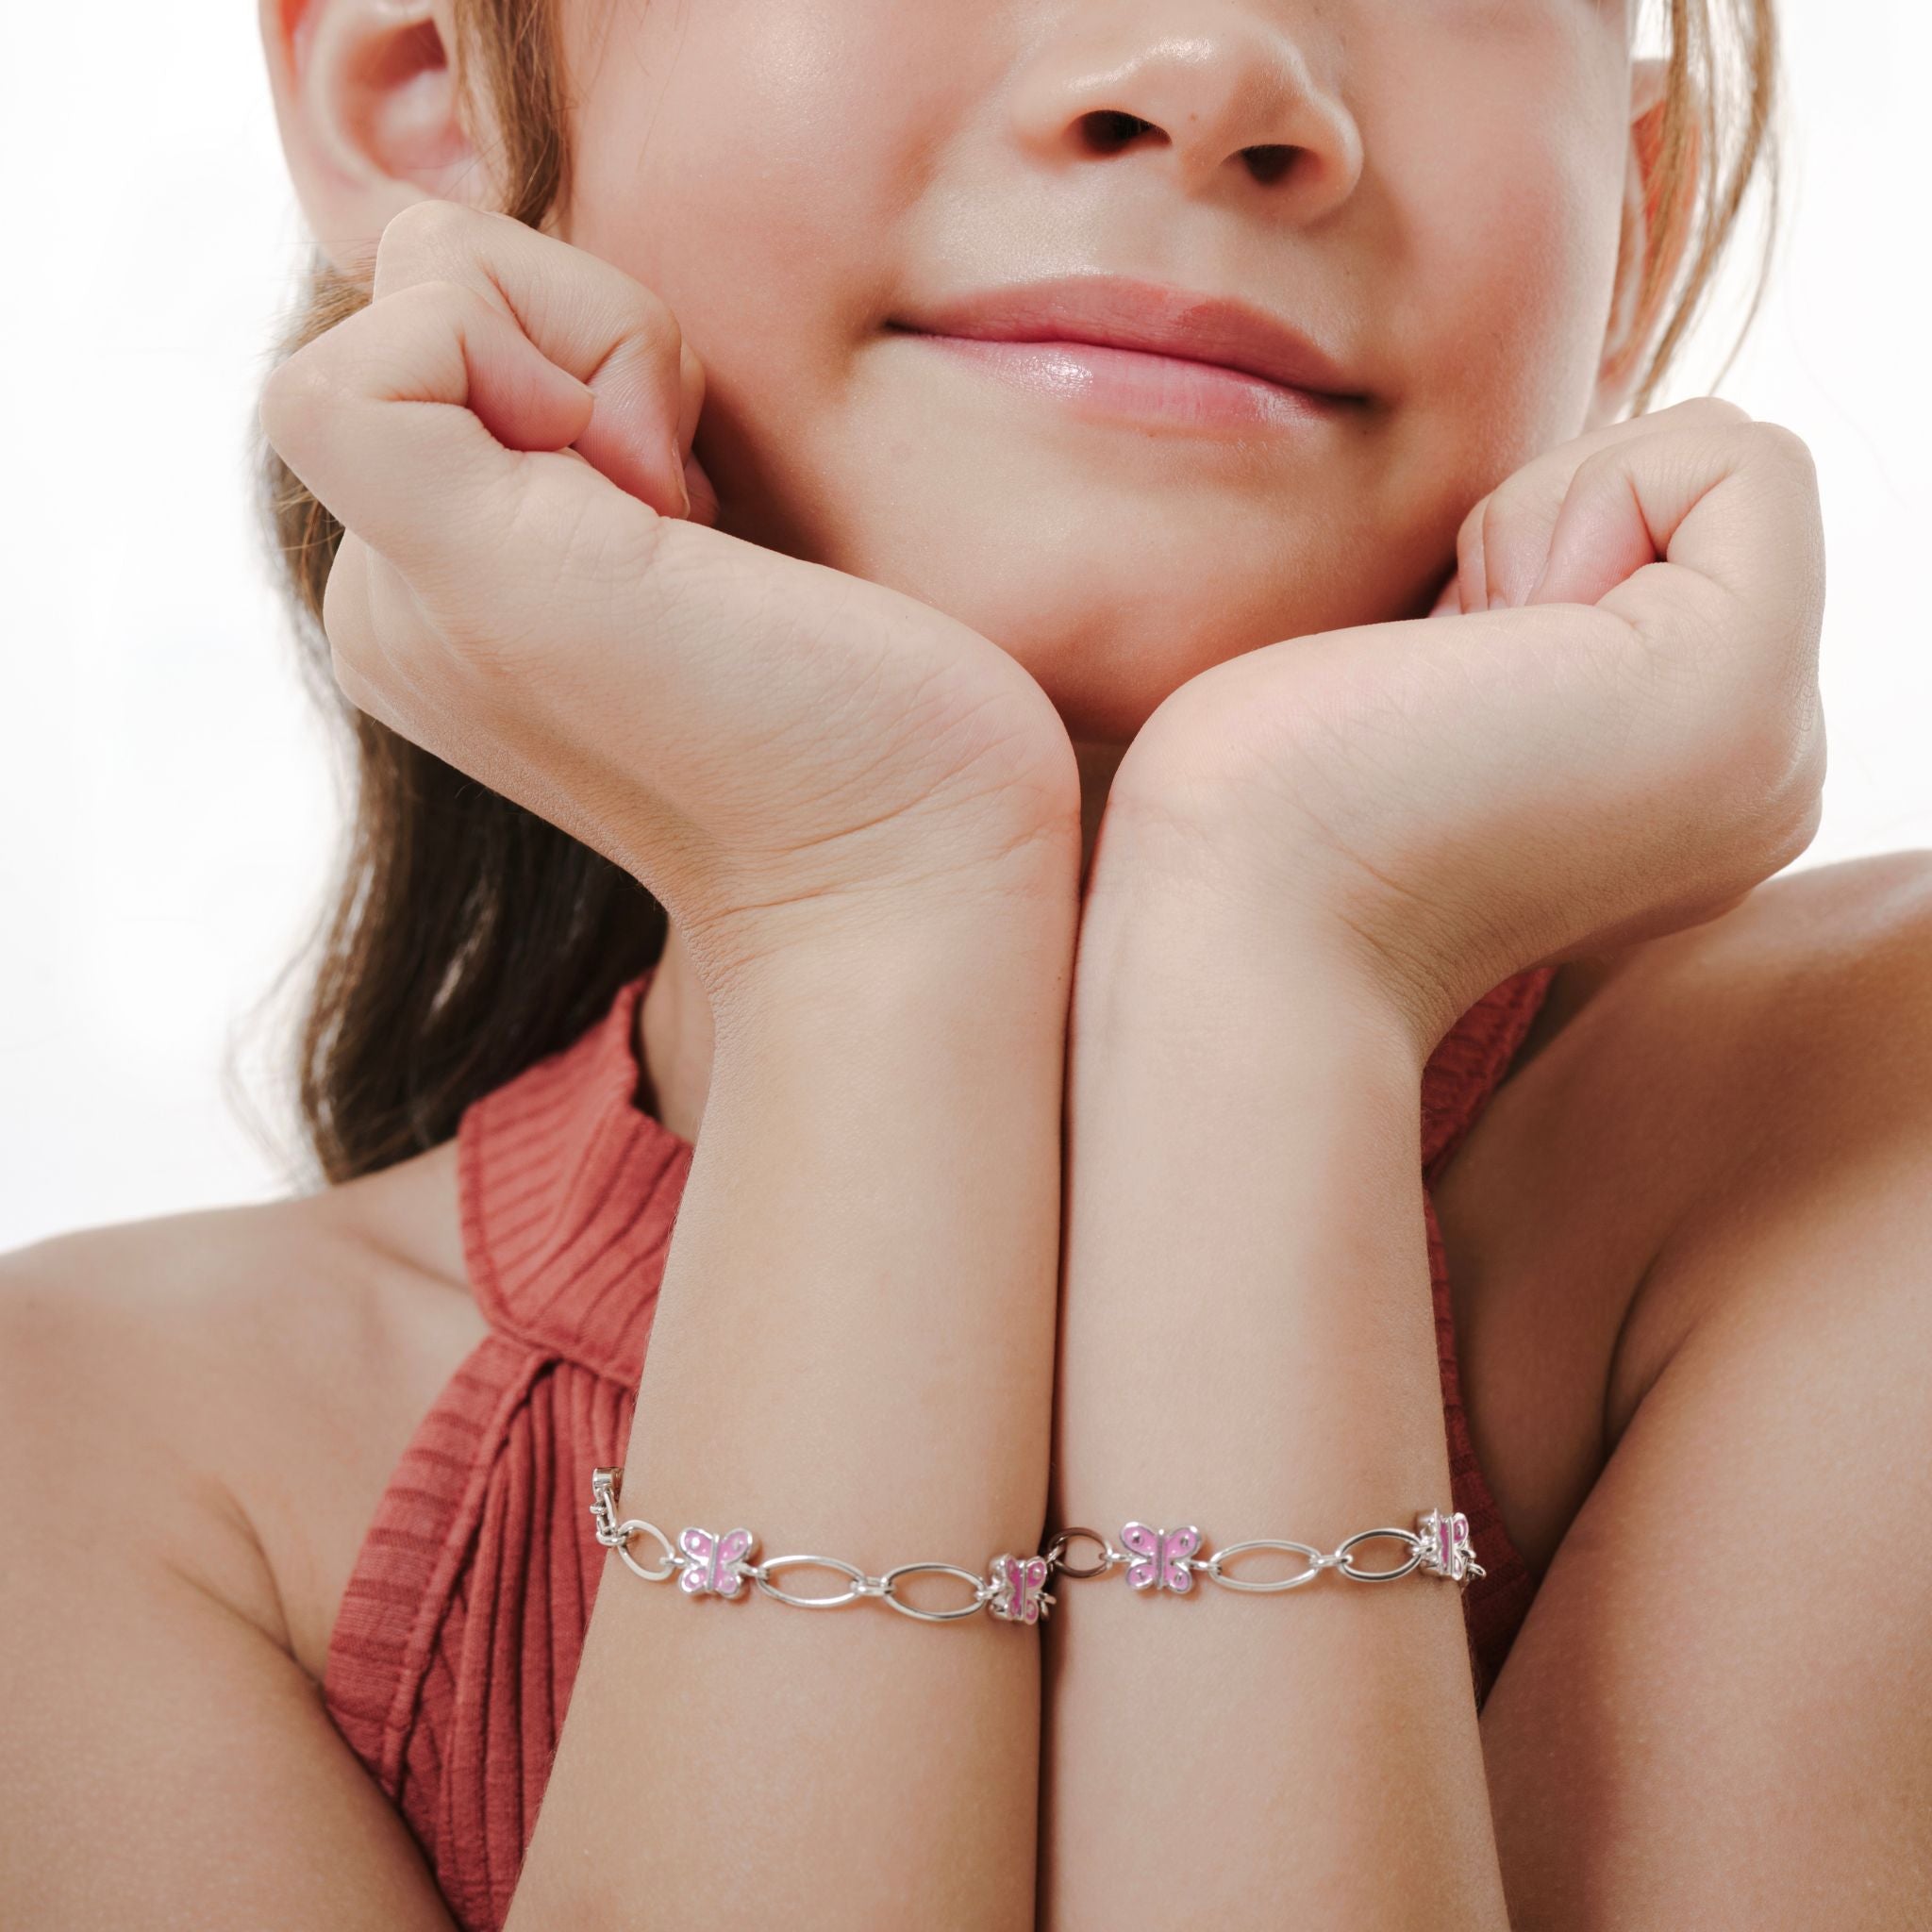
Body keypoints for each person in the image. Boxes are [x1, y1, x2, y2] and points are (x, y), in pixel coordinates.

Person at [3, 0, 1926, 1925]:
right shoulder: (86, 1472)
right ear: (422, 91)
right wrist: (871, 906)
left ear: (1635, 231)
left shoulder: (1875, 1133)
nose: (1212, 75)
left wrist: (1280, 956)